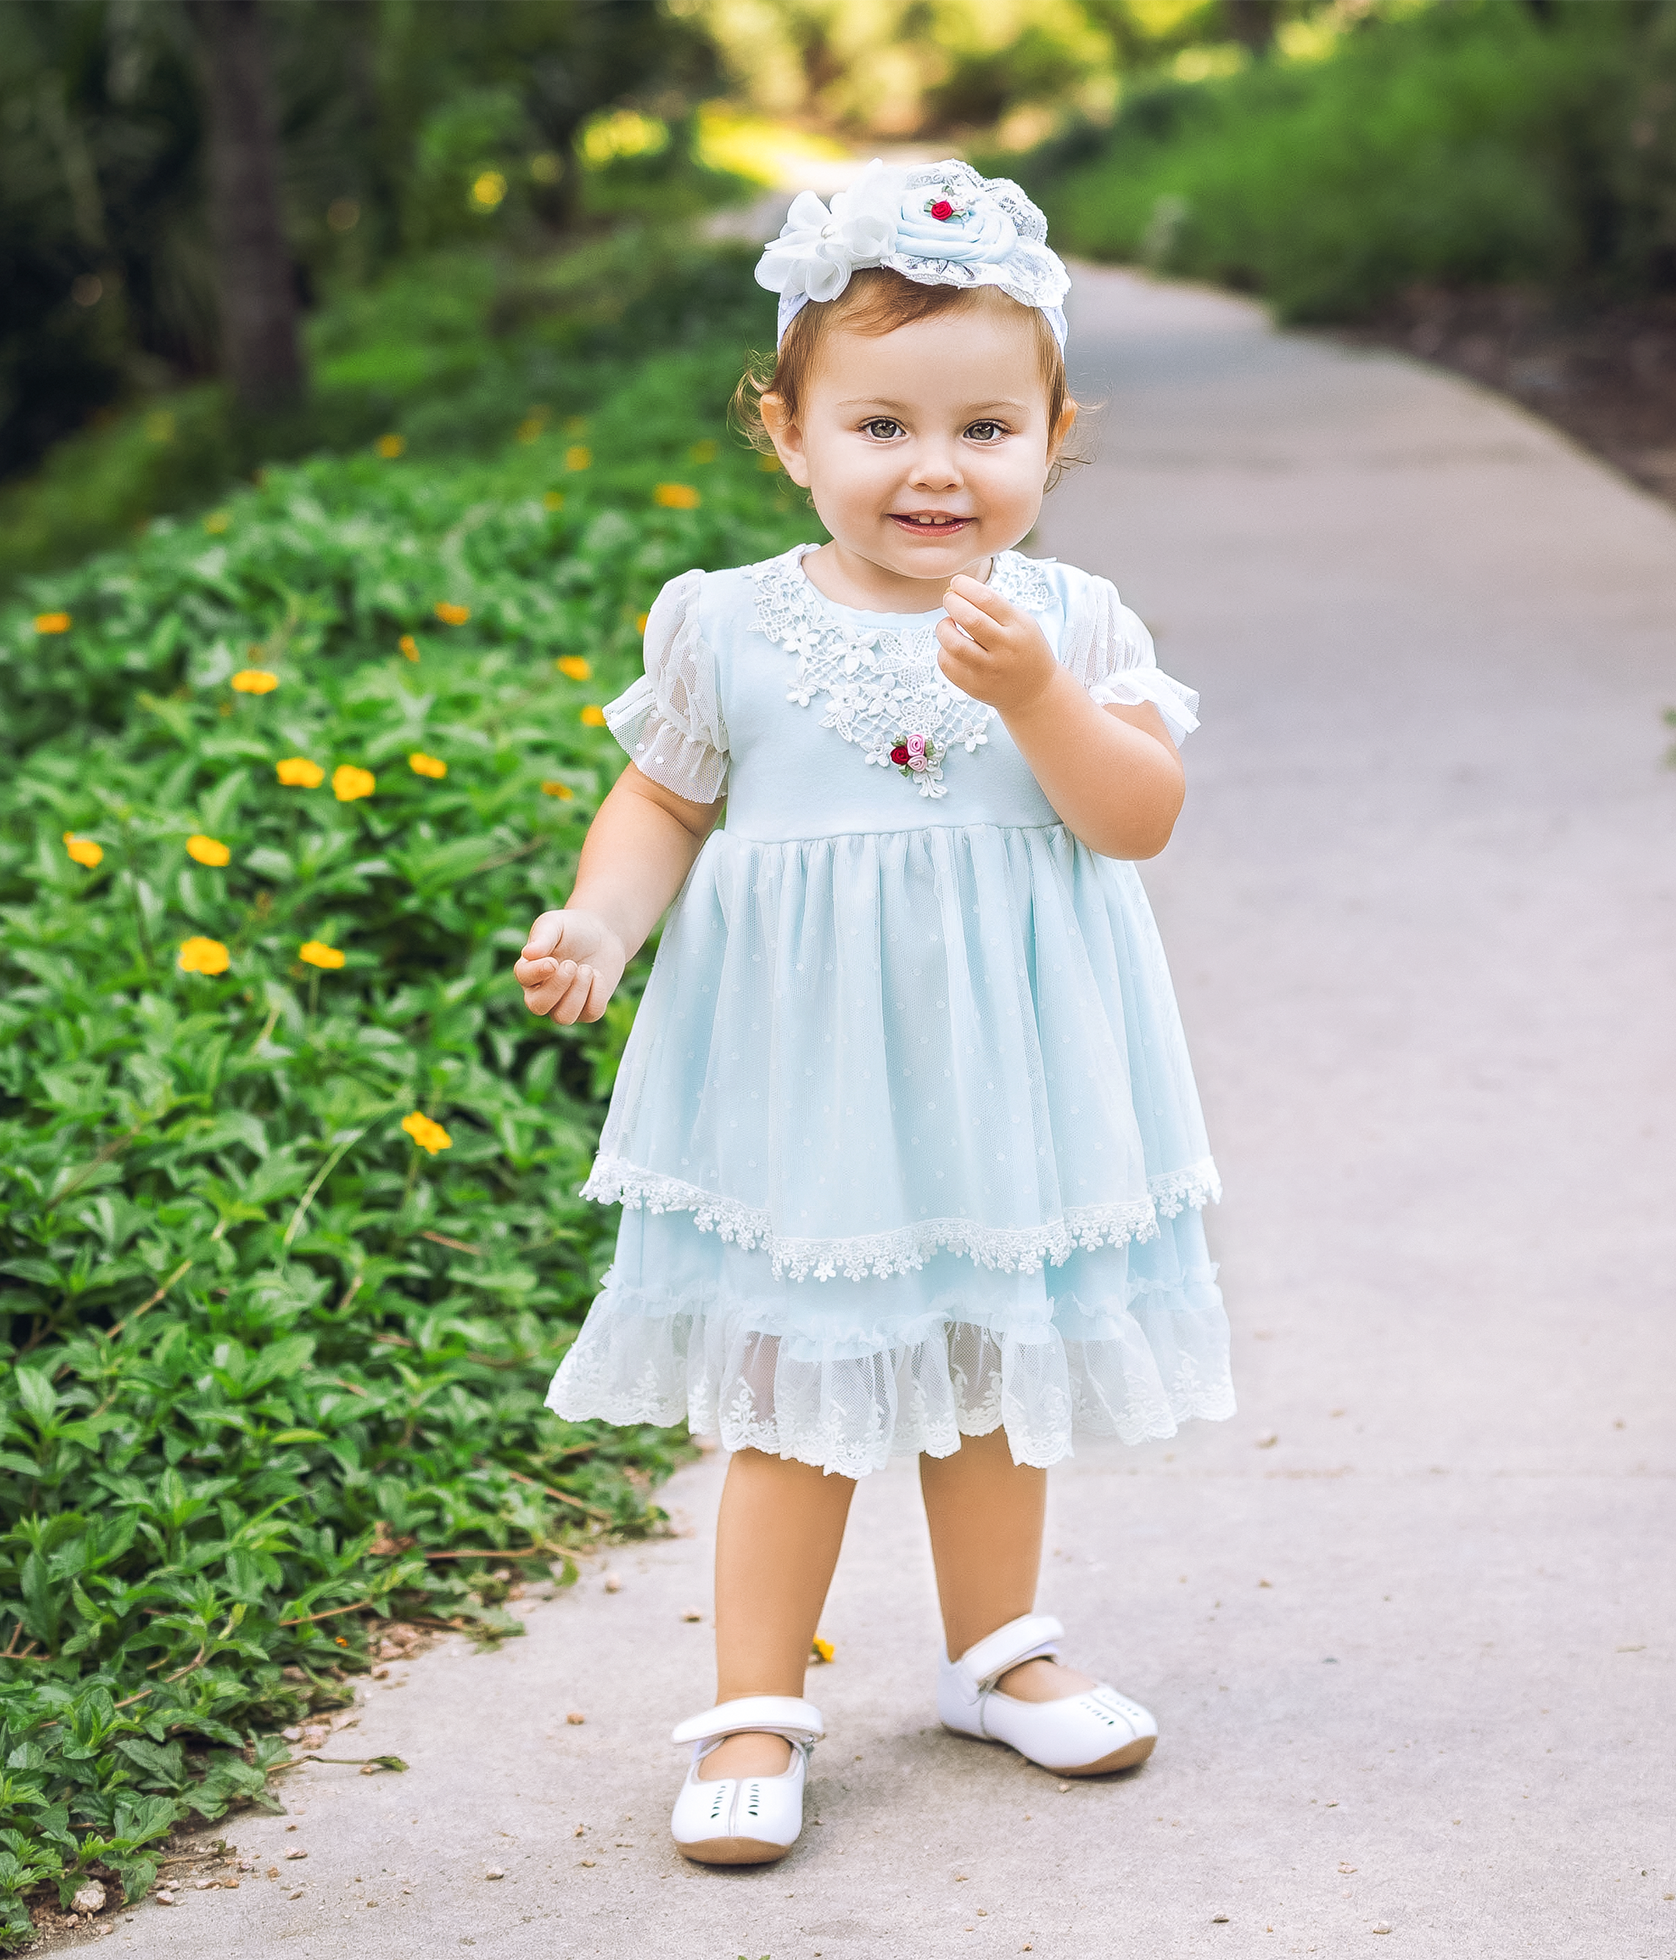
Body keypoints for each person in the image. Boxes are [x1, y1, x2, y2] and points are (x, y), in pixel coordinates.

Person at [514, 157, 1234, 1867]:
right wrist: (602, 927)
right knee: (793, 1391)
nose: (935, 468)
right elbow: (664, 805)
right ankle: (755, 1703)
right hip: (806, 1085)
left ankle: (1000, 1653)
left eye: (987, 429)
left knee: (992, 1367)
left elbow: (1135, 817)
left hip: (1011, 1077)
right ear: (789, 433)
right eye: (883, 426)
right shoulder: (726, 628)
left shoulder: (1068, 621)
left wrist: (1045, 698)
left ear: (1055, 440)